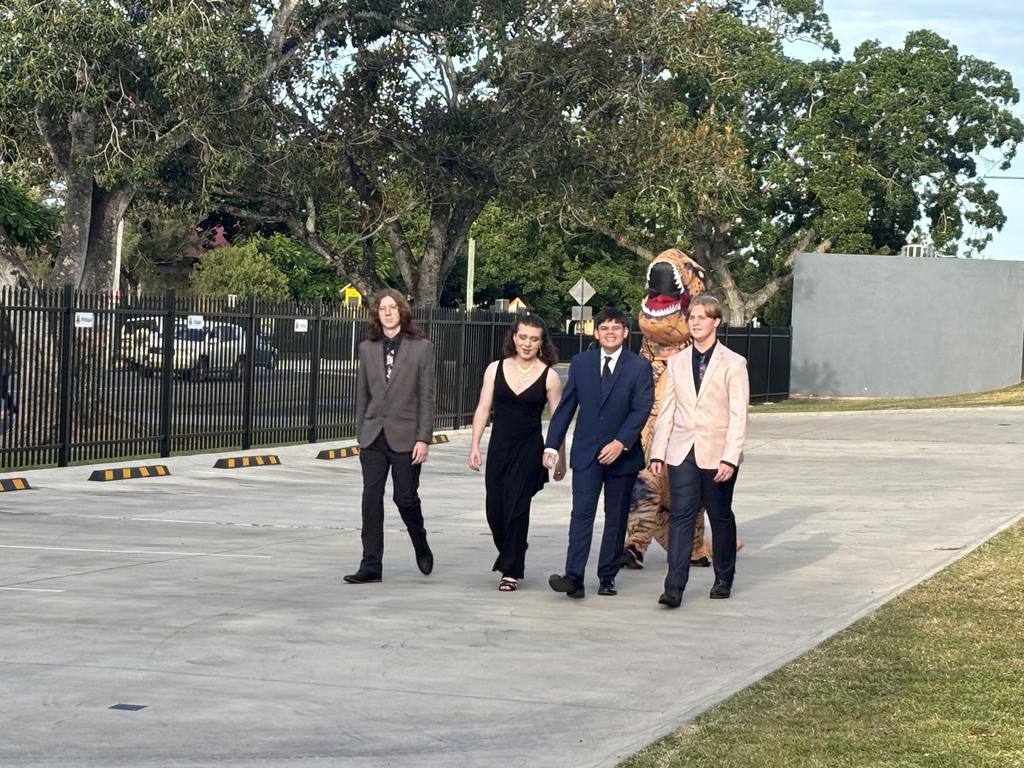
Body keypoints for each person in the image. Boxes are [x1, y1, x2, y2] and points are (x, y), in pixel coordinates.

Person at [543, 308, 654, 599]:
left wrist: (621, 443)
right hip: (587, 453)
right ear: (596, 332)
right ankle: (574, 577)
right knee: (581, 514)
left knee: (616, 518)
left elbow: (641, 409)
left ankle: (607, 576)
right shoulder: (581, 363)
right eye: (604, 328)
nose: (610, 332)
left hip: (623, 455)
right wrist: (552, 444)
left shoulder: (639, 367)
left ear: (626, 334)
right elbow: (566, 406)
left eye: (616, 328)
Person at [648, 295, 749, 608]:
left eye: (702, 317)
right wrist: (657, 452)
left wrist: (730, 458)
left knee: (719, 516)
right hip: (682, 452)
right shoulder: (677, 362)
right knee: (681, 516)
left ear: (716, 322)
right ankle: (673, 587)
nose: (695, 322)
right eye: (691, 317)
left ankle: (723, 577)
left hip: (718, 453)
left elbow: (738, 415)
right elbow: (668, 409)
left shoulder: (734, 363)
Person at [468, 315, 566, 591]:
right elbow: (482, 409)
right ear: (514, 337)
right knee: (495, 510)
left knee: (518, 507)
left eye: (534, 339)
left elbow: (558, 420)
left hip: (529, 449)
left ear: (541, 343)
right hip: (500, 446)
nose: (527, 343)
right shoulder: (494, 369)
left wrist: (561, 459)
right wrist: (475, 445)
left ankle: (510, 571)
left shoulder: (550, 376)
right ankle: (514, 548)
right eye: (523, 337)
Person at [344, 289, 436, 585]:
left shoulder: (421, 348)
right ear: (376, 314)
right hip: (373, 436)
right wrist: (361, 433)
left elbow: (426, 396)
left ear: (402, 311)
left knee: (404, 497)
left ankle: (420, 541)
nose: (387, 312)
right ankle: (371, 564)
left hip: (407, 435)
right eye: (382, 308)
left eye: (392, 307)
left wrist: (423, 438)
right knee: (371, 498)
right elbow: (362, 394)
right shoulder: (366, 348)